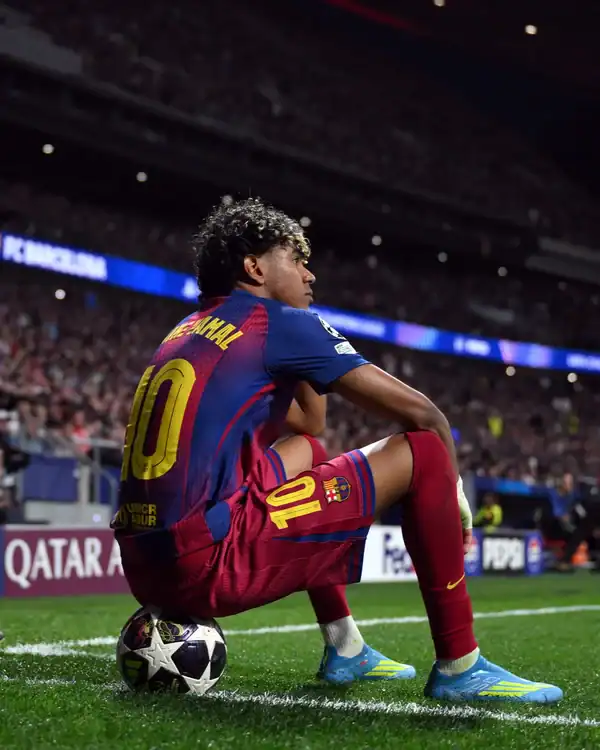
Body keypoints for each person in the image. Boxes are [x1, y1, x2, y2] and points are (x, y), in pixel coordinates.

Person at [113, 198, 562, 703]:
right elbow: (427, 417)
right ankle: (461, 665)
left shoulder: (187, 328)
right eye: (295, 259)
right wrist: (454, 492)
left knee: (307, 450)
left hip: (144, 567)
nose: (310, 274)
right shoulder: (276, 323)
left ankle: (345, 647)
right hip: (206, 566)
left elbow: (309, 423)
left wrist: (303, 343)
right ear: (255, 268)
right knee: (427, 452)